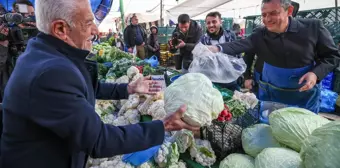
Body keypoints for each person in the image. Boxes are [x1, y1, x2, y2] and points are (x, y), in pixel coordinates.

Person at [0, 0, 198, 167]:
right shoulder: (51, 73)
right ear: (61, 29)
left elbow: (81, 89)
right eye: (88, 23)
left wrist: (128, 88)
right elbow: (98, 140)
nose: (95, 30)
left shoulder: (46, 54)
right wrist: (162, 126)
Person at [207, 0, 340, 113]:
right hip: (271, 93)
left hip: (304, 93)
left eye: (273, 13)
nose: (267, 19)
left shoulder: (313, 27)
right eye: (264, 15)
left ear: (289, 11)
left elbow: (332, 56)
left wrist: (316, 74)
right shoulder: (260, 33)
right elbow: (242, 44)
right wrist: (216, 48)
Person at [200, 11, 240, 91]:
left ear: (220, 22)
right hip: (214, 79)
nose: (211, 25)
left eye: (214, 22)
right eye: (208, 23)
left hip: (231, 78)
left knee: (234, 99)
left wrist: (239, 73)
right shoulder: (203, 40)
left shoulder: (230, 35)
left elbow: (237, 53)